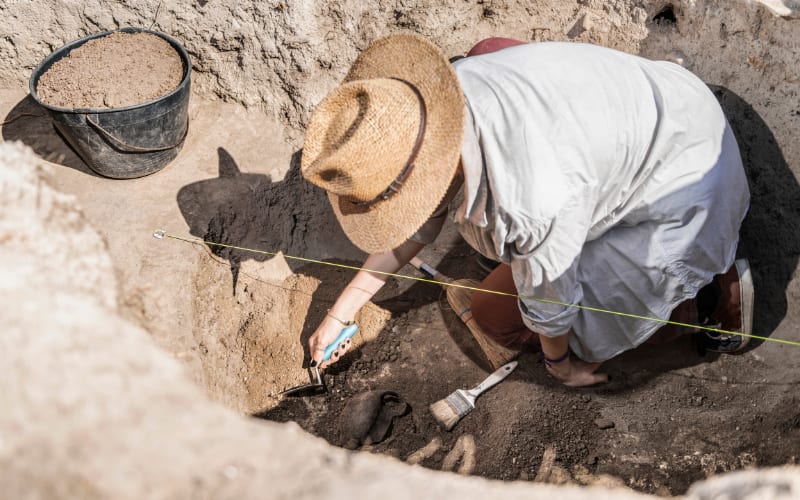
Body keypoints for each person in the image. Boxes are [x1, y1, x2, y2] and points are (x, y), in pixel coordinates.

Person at [299, 33, 752, 387]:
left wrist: (563, 368)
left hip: (688, 189)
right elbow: (418, 225)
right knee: (491, 49)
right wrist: (343, 311)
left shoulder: (529, 203)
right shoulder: (451, 89)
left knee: (496, 316)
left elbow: (550, 305)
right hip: (662, 103)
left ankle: (709, 297)